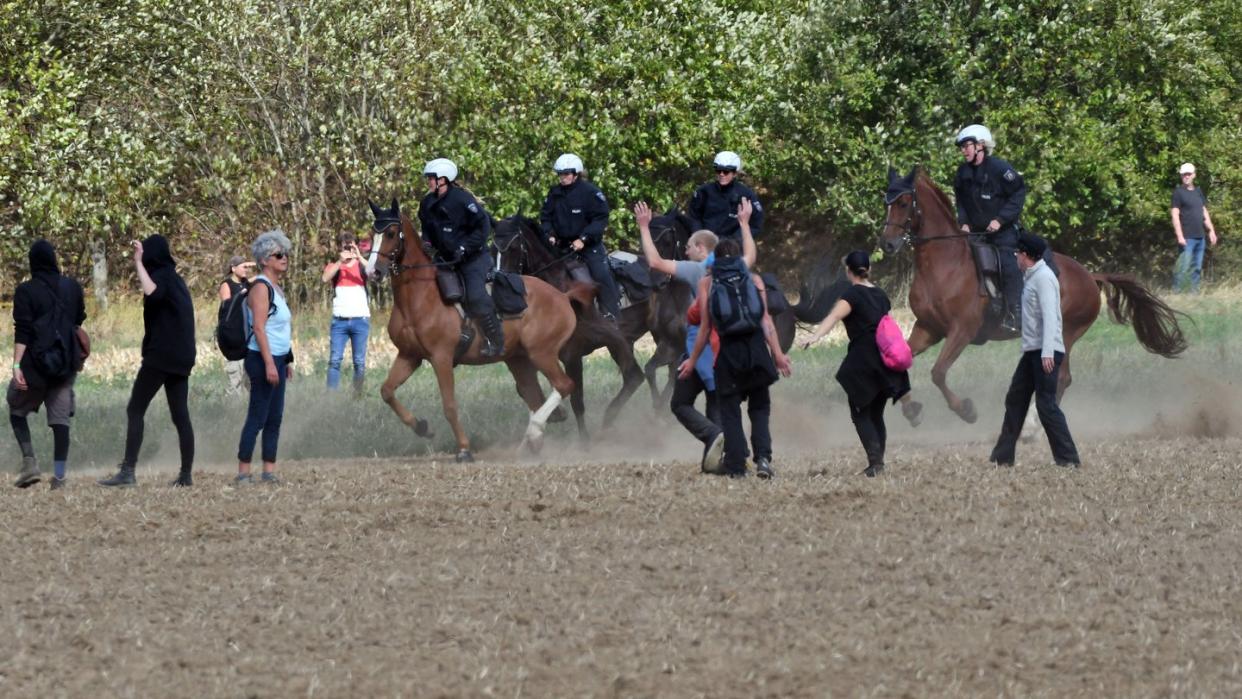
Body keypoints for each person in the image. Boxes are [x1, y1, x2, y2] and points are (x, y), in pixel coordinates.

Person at [636, 199, 758, 471]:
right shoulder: (736, 267)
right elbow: (751, 255)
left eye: (688, 247)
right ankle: (726, 458)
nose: (685, 251)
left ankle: (721, 444)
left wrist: (644, 227)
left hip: (702, 351)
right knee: (716, 407)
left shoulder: (697, 270)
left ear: (702, 249)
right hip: (729, 350)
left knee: (681, 404)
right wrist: (745, 224)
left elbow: (655, 262)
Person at [679, 237, 791, 479]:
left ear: (716, 259)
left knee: (730, 411)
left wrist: (692, 360)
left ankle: (737, 466)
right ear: (739, 258)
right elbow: (766, 322)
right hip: (757, 351)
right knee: (759, 408)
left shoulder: (707, 283)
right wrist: (779, 355)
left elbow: (705, 328)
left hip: (728, 354)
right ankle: (763, 459)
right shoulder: (754, 279)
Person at [99, 235, 197, 488]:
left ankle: (128, 472)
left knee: (135, 409)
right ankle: (186, 475)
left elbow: (153, 294)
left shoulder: (162, 276)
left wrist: (138, 262)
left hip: (162, 356)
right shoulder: (177, 280)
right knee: (180, 416)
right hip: (182, 358)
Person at [801, 252, 911, 477]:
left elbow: (832, 318)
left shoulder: (851, 294)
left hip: (864, 358)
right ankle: (878, 461)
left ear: (848, 271)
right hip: (884, 358)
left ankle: (875, 462)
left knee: (860, 412)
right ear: (868, 268)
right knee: (876, 413)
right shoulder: (881, 294)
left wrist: (815, 336)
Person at [989, 233, 1080, 468]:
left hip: (1045, 351)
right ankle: (1002, 457)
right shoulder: (1031, 277)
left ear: (1027, 256)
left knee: (1046, 405)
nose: (1016, 257)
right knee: (1015, 398)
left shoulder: (1044, 278)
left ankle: (1068, 459)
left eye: (1018, 253)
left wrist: (1048, 352)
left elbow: (1051, 316)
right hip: (1033, 351)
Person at [9, 240, 86, 490]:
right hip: (64, 366)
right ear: (54, 259)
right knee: (60, 422)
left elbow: (23, 331)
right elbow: (78, 319)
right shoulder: (72, 287)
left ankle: (30, 462)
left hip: (34, 368)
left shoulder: (25, 291)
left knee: (16, 410)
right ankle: (60, 476)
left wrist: (17, 366)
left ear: (32, 262)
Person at [419, 158, 504, 356]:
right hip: (445, 259)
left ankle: (496, 340)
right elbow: (427, 229)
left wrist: (465, 247)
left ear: (443, 180)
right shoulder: (427, 203)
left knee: (475, 296)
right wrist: (428, 243)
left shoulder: (462, 200)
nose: (428, 182)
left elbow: (483, 227)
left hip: (473, 259)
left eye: (431, 179)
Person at [953, 124, 1026, 332]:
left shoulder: (1000, 169)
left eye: (967, 146)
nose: (964, 150)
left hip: (1003, 233)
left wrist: (1000, 219)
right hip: (976, 233)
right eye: (962, 147)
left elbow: (1018, 194)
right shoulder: (962, 173)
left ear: (981, 146)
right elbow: (961, 202)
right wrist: (964, 222)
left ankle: (1016, 313)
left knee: (1007, 263)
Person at [235, 229, 295, 484]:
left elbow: (280, 328)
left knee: (275, 417)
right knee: (257, 417)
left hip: (278, 359)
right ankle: (243, 473)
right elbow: (259, 328)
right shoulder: (260, 288)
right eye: (278, 254)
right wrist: (270, 364)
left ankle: (268, 471)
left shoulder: (276, 289)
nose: (284, 258)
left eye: (285, 253)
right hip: (261, 359)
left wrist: (286, 360)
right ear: (264, 260)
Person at [540, 153, 622, 322]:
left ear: (576, 174)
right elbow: (545, 217)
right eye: (560, 174)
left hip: (589, 247)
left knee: (602, 275)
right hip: (562, 247)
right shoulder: (554, 194)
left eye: (566, 174)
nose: (562, 178)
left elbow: (601, 219)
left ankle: (613, 315)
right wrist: (549, 234)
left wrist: (584, 238)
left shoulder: (591, 193)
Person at [322, 231, 377, 392]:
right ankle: (331, 398)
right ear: (339, 247)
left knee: (359, 362)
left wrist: (359, 256)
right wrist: (340, 261)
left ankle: (357, 395)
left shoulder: (361, 266)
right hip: (339, 321)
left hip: (360, 320)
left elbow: (375, 274)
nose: (348, 249)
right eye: (344, 246)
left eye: (351, 245)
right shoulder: (335, 266)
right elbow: (325, 278)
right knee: (335, 360)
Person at [686, 151, 765, 242]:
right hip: (704, 246)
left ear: (735, 173)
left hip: (733, 248)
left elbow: (755, 224)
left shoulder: (746, 195)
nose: (721, 174)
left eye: (726, 171)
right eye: (718, 170)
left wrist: (733, 241)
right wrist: (699, 237)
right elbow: (694, 217)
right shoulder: (702, 192)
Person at [1171, 162, 1219, 294]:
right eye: (1184, 174)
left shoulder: (1198, 192)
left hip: (1200, 237)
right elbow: (1175, 215)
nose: (1186, 176)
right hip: (1187, 237)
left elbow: (1204, 212)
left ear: (1194, 175)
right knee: (1183, 267)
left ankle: (1194, 295)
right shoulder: (1178, 193)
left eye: (1188, 174)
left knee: (1196, 268)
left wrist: (1211, 230)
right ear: (1181, 176)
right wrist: (1180, 236)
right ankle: (1177, 294)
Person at [220, 254, 254, 395]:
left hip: (247, 336)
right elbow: (228, 308)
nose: (246, 269)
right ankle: (230, 410)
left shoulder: (246, 283)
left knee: (250, 380)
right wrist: (243, 292)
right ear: (233, 268)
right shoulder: (226, 285)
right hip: (233, 336)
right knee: (235, 381)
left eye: (247, 266)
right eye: (243, 266)